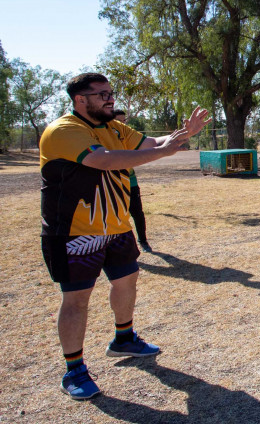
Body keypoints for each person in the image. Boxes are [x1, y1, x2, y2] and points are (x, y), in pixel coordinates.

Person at [41, 73, 210, 399]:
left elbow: (152, 144)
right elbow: (104, 160)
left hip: (116, 228)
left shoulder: (115, 128)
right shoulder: (64, 130)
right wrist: (165, 151)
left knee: (127, 280)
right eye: (101, 94)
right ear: (80, 99)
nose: (109, 98)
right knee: (77, 299)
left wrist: (183, 135)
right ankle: (74, 369)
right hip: (74, 233)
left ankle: (124, 339)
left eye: (110, 93)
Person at [113, 110, 151, 252]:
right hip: (114, 183)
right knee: (118, 216)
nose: (122, 124)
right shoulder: (105, 138)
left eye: (124, 121)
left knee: (137, 213)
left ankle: (143, 241)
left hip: (131, 182)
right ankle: (120, 246)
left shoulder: (127, 136)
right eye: (118, 121)